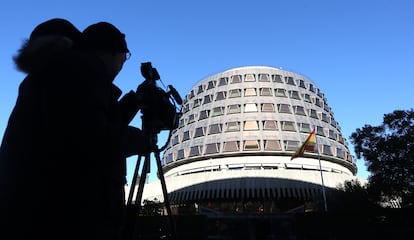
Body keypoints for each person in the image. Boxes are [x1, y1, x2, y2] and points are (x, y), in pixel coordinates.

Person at [0, 20, 147, 240]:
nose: (123, 64)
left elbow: (77, 122)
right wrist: (143, 140)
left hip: (34, 211)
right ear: (112, 52)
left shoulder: (59, 72)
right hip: (68, 217)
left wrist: (133, 102)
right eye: (124, 57)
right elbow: (90, 139)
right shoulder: (82, 70)